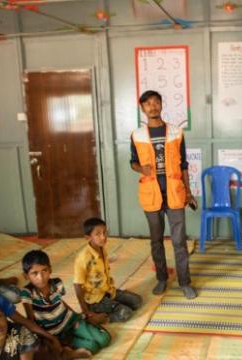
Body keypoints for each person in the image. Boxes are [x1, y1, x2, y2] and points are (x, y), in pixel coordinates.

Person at [130, 90, 198, 299]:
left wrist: (188, 192)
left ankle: (185, 282)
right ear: (142, 108)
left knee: (179, 241)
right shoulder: (137, 135)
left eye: (156, 102)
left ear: (161, 105)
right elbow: (132, 162)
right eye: (148, 103)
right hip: (151, 194)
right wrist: (143, 170)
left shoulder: (176, 132)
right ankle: (161, 278)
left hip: (175, 194)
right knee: (156, 240)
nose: (153, 106)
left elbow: (184, 164)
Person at [21, 250, 111, 358]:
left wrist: (80, 317)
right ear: (26, 276)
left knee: (104, 339)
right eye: (34, 273)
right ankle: (68, 351)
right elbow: (31, 320)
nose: (40, 277)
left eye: (44, 270)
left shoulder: (57, 284)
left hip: (70, 322)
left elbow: (60, 302)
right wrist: (48, 338)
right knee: (92, 347)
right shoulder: (27, 293)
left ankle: (70, 345)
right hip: (54, 333)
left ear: (50, 270)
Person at [74, 218, 142, 323]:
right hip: (95, 299)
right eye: (98, 234)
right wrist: (85, 311)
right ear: (88, 238)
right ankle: (100, 318)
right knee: (126, 312)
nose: (103, 237)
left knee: (137, 301)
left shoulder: (102, 248)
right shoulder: (83, 258)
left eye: (105, 232)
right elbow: (77, 286)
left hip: (108, 291)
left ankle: (112, 304)